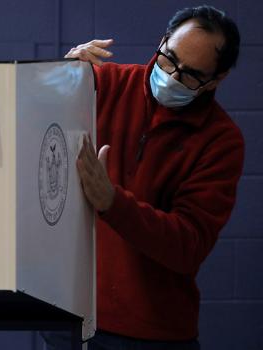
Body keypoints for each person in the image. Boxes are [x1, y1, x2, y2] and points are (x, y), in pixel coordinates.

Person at [57, 5, 243, 350]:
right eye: (168, 59)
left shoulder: (221, 141)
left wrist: (112, 203)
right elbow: (29, 126)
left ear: (217, 80)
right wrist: (59, 75)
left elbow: (188, 246)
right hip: (74, 320)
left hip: (152, 334)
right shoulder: (103, 81)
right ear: (163, 40)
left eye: (191, 75)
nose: (171, 76)